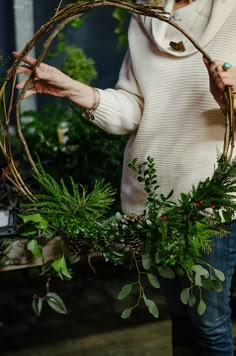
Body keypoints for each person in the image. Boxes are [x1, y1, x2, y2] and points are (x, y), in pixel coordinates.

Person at [14, 0, 236, 354]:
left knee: (209, 328)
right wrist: (74, 89)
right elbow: (134, 109)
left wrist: (230, 96)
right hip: (153, 206)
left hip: (208, 205)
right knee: (181, 322)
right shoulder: (146, 16)